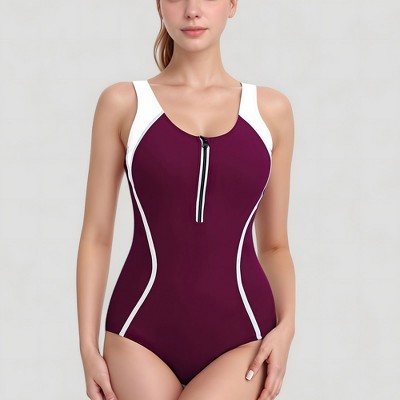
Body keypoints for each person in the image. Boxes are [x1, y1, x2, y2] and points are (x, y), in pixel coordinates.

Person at [76, 1, 296, 399]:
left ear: (232, 5)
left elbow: (275, 245)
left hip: (244, 337)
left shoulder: (271, 111)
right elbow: (96, 236)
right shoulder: (123, 104)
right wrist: (87, 348)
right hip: (138, 333)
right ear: (160, 5)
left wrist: (287, 328)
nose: (192, 10)